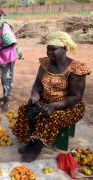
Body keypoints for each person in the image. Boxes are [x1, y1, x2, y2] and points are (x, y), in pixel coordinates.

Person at [12, 31, 91, 162]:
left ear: (65, 49)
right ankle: (30, 142)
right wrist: (34, 97)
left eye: (53, 49)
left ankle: (37, 148)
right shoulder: (44, 64)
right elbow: (37, 86)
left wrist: (54, 105)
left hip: (69, 106)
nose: (49, 52)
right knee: (26, 109)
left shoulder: (76, 69)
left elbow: (76, 97)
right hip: (46, 100)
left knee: (49, 117)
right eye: (48, 49)